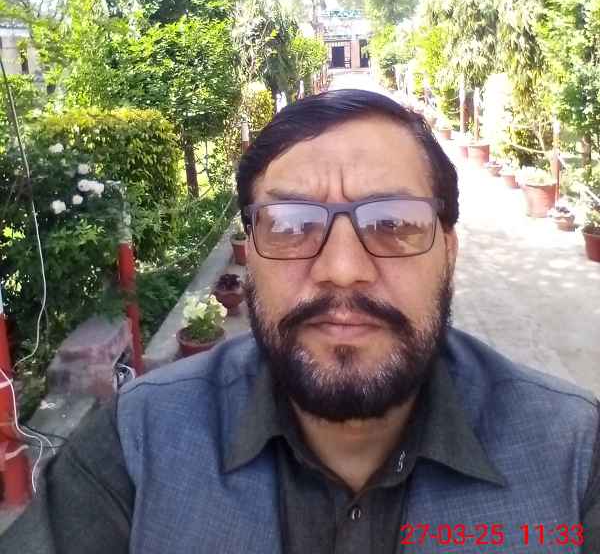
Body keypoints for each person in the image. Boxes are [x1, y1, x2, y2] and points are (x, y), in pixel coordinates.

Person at [1, 89, 599, 554]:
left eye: (393, 223)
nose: (342, 270)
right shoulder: (135, 449)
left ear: (449, 249)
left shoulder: (575, 457)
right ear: (250, 254)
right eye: (291, 225)